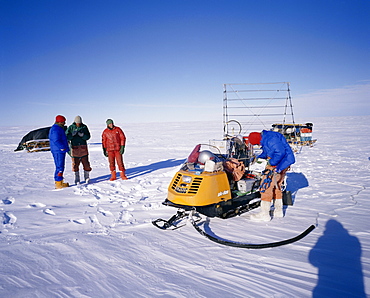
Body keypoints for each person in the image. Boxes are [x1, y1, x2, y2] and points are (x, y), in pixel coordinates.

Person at [248, 130, 295, 221]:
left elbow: (279, 153)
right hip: (283, 162)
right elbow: (268, 151)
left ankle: (264, 214)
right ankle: (278, 211)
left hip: (279, 163)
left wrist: (270, 162)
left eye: (257, 144)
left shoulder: (270, 139)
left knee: (266, 187)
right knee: (276, 186)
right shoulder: (267, 138)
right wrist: (259, 158)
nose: (258, 146)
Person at [66, 115, 92, 184]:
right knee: (75, 165)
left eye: (79, 123)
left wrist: (83, 135)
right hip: (75, 149)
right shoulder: (71, 127)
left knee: (86, 164)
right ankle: (77, 179)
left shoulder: (84, 127)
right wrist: (72, 135)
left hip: (83, 148)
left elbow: (88, 136)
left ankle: (87, 177)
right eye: (77, 123)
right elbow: (66, 137)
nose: (78, 124)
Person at [49, 115, 70, 189]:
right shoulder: (56, 129)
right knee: (59, 167)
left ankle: (59, 181)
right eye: (64, 121)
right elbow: (56, 140)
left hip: (59, 150)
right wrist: (62, 147)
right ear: (60, 122)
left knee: (60, 166)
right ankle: (58, 184)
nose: (65, 123)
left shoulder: (58, 128)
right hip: (58, 151)